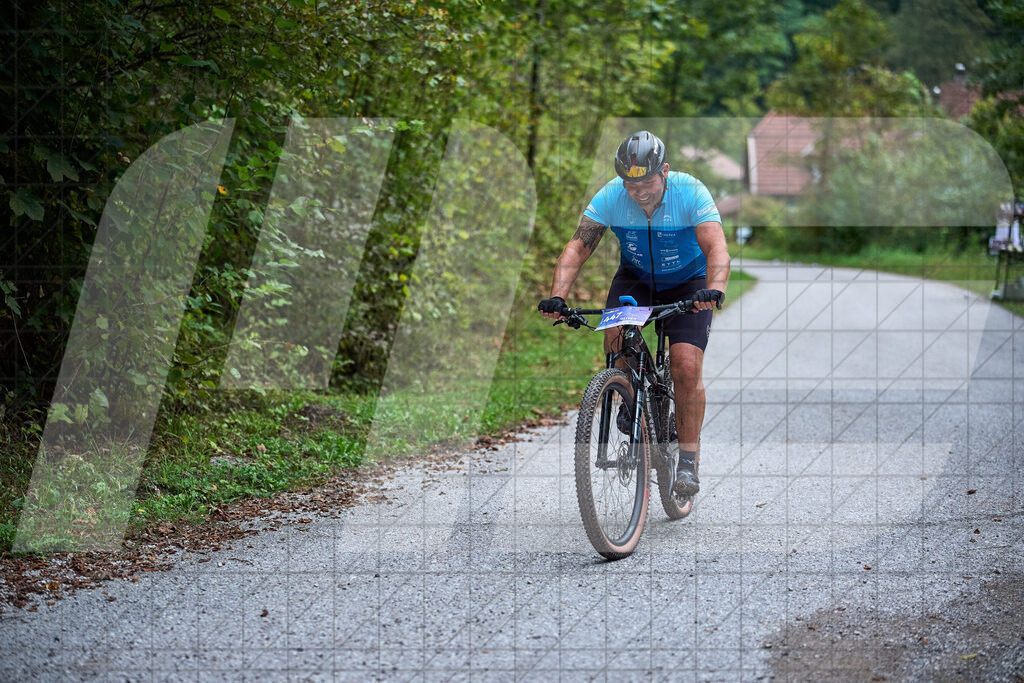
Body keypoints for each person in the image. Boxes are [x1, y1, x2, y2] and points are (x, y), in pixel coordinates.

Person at [538, 130, 730, 498]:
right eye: (630, 183)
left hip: (689, 283)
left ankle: (687, 461)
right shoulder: (611, 195)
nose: (638, 190)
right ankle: (627, 394)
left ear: (665, 171)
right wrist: (557, 297)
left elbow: (717, 248)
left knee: (686, 366)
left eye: (646, 181)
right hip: (636, 278)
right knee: (616, 339)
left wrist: (715, 289)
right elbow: (577, 248)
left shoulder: (690, 192)